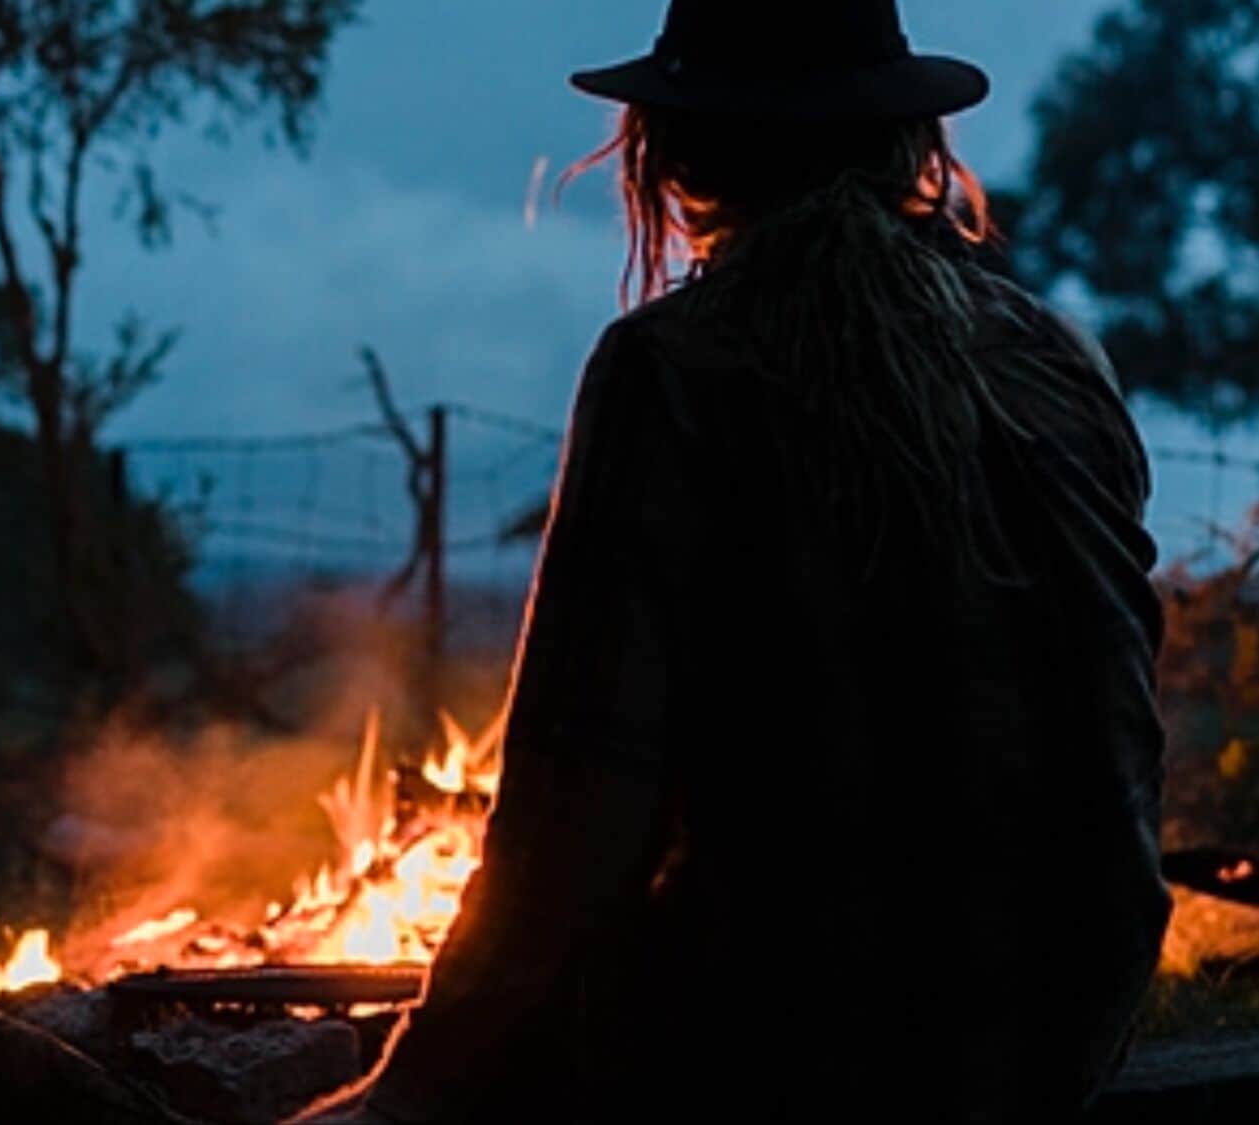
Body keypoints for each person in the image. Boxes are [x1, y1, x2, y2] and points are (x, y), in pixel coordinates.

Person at [303, 2, 1170, 1122]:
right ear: (909, 145)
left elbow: (570, 838)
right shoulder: (1054, 358)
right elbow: (1116, 766)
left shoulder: (674, 372)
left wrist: (402, 1097)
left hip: (783, 1059)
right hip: (1050, 1038)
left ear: (678, 161)